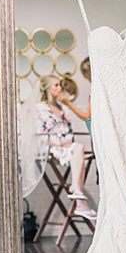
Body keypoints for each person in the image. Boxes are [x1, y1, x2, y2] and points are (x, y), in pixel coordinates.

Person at [35, 75, 96, 220]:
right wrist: (58, 143)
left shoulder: (63, 108)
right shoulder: (39, 109)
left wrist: (66, 141)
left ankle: (77, 192)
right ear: (47, 88)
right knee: (79, 150)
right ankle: (79, 201)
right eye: (56, 85)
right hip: (50, 147)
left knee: (78, 148)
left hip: (66, 147)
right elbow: (38, 134)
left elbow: (69, 130)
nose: (60, 88)